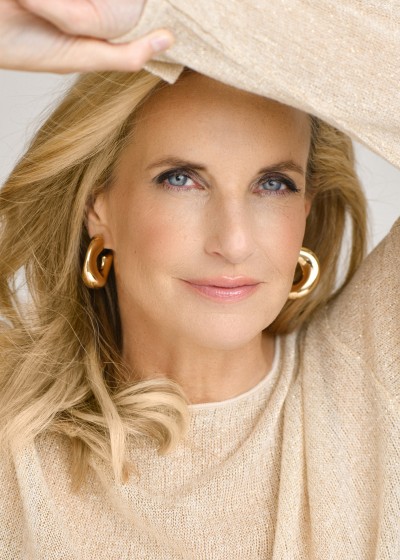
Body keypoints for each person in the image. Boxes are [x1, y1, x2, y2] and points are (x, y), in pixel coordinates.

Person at [0, 1, 399, 559]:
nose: (233, 242)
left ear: (306, 209)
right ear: (98, 206)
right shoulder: (16, 447)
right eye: (181, 179)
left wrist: (158, 15)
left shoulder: (376, 376)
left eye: (273, 184)